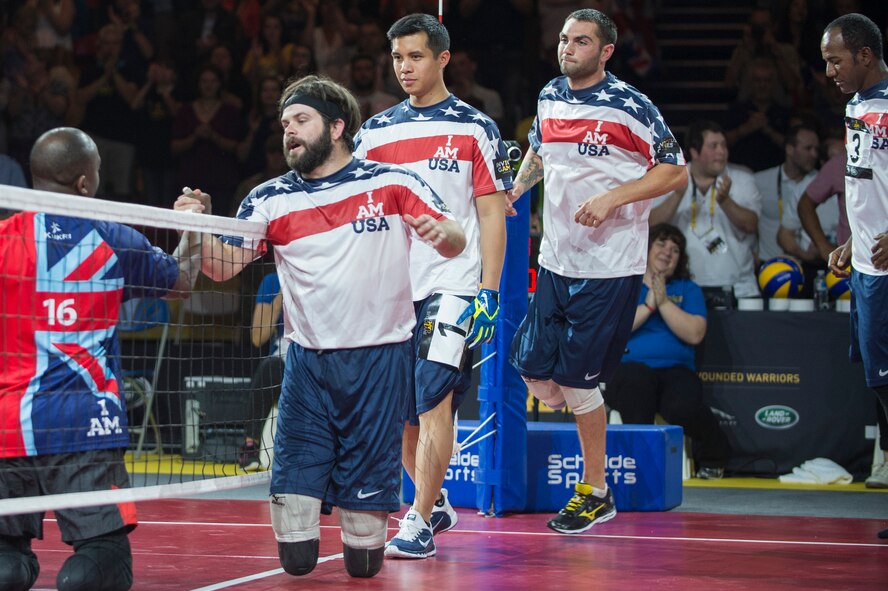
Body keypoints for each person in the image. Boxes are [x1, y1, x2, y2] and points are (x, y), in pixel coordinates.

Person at [189, 74, 466, 578]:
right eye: (284, 124)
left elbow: (454, 238)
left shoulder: (391, 182)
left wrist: (441, 231)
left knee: (364, 565)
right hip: (307, 368)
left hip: (379, 364)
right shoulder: (269, 198)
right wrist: (198, 224)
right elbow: (222, 267)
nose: (289, 132)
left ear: (337, 127)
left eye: (301, 120)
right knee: (296, 560)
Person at [0, 127, 206, 591]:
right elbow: (183, 282)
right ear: (84, 184)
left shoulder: (1, 241)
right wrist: (195, 227)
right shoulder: (111, 238)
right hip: (84, 426)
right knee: (100, 563)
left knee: (6, 565)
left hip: (8, 425)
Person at [507, 8, 687, 534]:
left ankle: (596, 491)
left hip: (609, 266)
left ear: (606, 51)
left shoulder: (632, 106)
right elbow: (540, 151)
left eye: (581, 42)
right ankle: (588, 396)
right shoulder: (549, 95)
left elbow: (674, 169)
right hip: (556, 257)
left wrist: (614, 197)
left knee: (575, 383)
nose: (568, 48)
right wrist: (517, 189)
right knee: (533, 370)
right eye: (564, 39)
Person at [353, 13, 510, 559]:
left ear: (442, 58)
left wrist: (490, 290)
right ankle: (435, 500)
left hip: (454, 280)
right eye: (397, 58)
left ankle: (418, 522)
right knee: (398, 410)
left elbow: (492, 215)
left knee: (433, 396)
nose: (404, 67)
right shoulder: (373, 131)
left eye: (415, 56)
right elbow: (359, 209)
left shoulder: (474, 127)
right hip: (394, 288)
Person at [820, 12, 888, 540]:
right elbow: (870, 188)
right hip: (865, 267)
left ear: (865, 55)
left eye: (835, 59)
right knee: (879, 386)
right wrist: (850, 241)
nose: (829, 70)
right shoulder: (855, 106)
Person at [603, 223, 731, 480]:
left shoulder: (687, 289)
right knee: (637, 385)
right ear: (646, 248)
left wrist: (662, 301)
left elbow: (695, 333)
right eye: (661, 244)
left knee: (684, 405)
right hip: (629, 369)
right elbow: (612, 330)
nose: (667, 252)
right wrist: (648, 306)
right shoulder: (624, 284)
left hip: (676, 370)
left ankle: (713, 460)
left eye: (675, 250)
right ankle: (639, 465)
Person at [650, 120, 761, 304]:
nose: (721, 152)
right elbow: (651, 225)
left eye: (724, 145)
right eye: (713, 146)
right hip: (683, 286)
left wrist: (725, 201)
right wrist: (677, 195)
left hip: (739, 289)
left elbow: (751, 225)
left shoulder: (743, 178)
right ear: (694, 152)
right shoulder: (671, 177)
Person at [237, 270, 286, 472]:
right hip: (285, 354)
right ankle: (250, 445)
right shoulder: (273, 282)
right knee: (270, 367)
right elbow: (258, 337)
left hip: (321, 351)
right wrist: (285, 292)